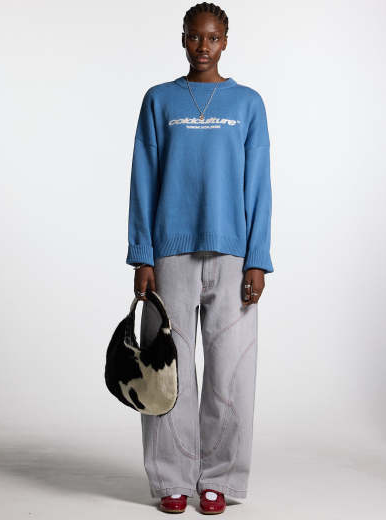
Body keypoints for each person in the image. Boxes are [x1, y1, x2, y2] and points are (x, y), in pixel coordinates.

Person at [125, 2, 274, 514]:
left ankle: (221, 478)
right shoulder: (159, 99)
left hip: (233, 255)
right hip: (169, 253)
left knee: (231, 372)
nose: (202, 46)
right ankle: (171, 476)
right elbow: (143, 178)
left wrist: (258, 259)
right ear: (183, 38)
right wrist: (142, 255)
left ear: (225, 41)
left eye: (212, 38)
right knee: (167, 371)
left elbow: (259, 186)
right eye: (194, 36)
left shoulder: (248, 103)